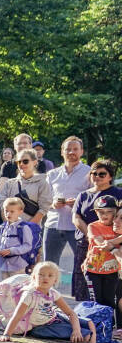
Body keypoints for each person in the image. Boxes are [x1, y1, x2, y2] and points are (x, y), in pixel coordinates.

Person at [0, 261, 93, 343]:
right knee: (86, 335)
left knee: (89, 324)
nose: (45, 278)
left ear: (55, 280)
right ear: (34, 277)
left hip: (54, 318)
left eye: (50, 275)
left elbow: (71, 313)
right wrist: (6, 335)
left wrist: (76, 331)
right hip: (40, 327)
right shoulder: (29, 294)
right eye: (41, 274)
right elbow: (17, 316)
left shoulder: (53, 293)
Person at [72, 159, 122, 302]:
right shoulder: (83, 195)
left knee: (112, 291)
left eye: (102, 174)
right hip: (88, 243)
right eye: (94, 173)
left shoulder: (118, 193)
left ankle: (113, 321)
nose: (97, 176)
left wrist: (113, 242)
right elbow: (76, 217)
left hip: (115, 244)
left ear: (110, 176)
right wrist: (92, 235)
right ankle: (90, 320)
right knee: (88, 286)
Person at [0, 149, 53, 265]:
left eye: (25, 161)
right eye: (18, 162)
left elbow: (44, 208)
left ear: (35, 162)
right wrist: (11, 226)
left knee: (29, 271)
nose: (21, 164)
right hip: (11, 234)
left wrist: (25, 229)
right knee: (9, 272)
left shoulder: (42, 182)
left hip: (31, 233)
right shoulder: (10, 183)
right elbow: (2, 204)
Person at [44, 137, 90, 272]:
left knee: (82, 265)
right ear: (62, 152)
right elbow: (44, 199)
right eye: (68, 149)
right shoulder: (52, 174)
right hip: (53, 225)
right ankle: (49, 293)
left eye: (75, 149)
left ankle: (80, 293)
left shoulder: (89, 173)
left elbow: (94, 198)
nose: (71, 152)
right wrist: (53, 203)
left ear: (81, 151)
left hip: (77, 226)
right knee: (49, 266)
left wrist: (78, 204)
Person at [82, 195, 121, 328]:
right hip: (93, 270)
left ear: (115, 212)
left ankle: (108, 327)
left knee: (110, 300)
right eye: (100, 212)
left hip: (112, 270)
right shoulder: (93, 226)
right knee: (96, 300)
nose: (104, 215)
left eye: (109, 212)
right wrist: (114, 242)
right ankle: (96, 328)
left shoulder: (117, 226)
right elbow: (100, 243)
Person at [0, 197, 38, 279]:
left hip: (18, 265)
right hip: (4, 264)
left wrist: (11, 251)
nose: (8, 214)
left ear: (20, 212)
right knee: (4, 287)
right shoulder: (2, 226)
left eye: (12, 211)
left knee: (17, 287)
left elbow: (27, 245)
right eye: (6, 211)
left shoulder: (23, 227)